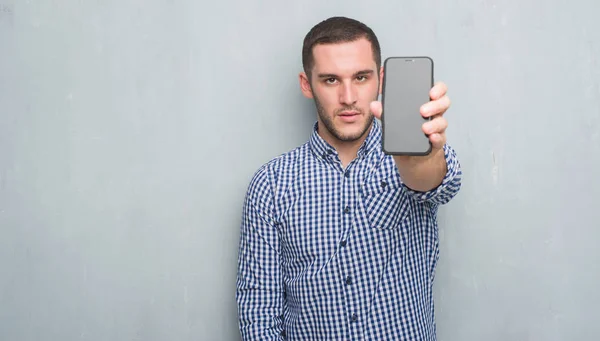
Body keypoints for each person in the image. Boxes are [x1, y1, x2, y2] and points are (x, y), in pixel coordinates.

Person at [235, 16, 462, 341]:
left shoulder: (412, 153)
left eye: (361, 77)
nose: (348, 96)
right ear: (306, 84)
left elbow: (433, 180)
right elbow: (259, 314)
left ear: (380, 79)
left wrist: (423, 156)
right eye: (330, 80)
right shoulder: (271, 186)